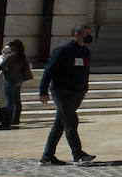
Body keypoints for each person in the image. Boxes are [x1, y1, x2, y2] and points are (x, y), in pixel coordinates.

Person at [38, 23, 96, 166]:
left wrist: (84, 88)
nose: (89, 37)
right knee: (71, 121)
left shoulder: (85, 51)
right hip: (62, 91)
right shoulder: (63, 50)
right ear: (76, 35)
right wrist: (43, 91)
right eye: (86, 34)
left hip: (77, 92)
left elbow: (85, 71)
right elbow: (49, 71)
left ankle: (47, 156)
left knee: (59, 124)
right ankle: (78, 155)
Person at [0, 40, 32, 129]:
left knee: (9, 101)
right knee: (17, 100)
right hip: (19, 80)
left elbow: (1, 66)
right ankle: (16, 118)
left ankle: (6, 122)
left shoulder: (12, 57)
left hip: (10, 80)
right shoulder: (22, 57)